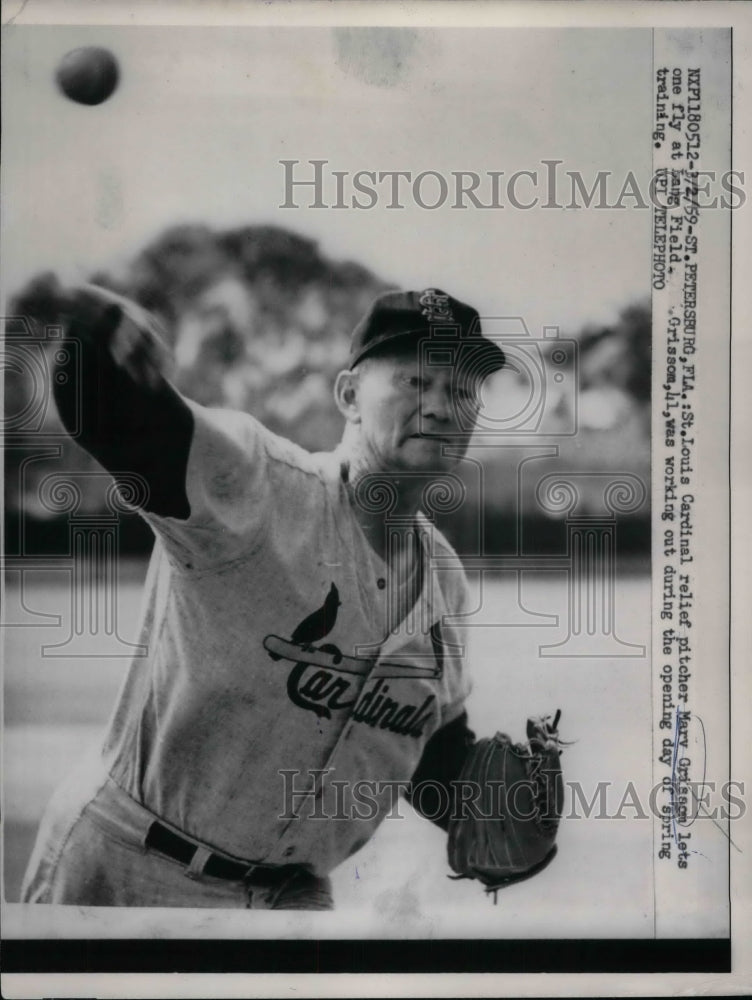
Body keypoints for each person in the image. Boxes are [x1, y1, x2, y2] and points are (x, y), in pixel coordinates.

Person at [21, 285, 506, 910]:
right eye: (416, 382)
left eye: (461, 391)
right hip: (130, 868)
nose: (441, 406)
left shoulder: (445, 579)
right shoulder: (260, 484)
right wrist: (94, 350)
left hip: (289, 904)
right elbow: (121, 421)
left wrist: (489, 804)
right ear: (349, 396)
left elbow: (424, 740)